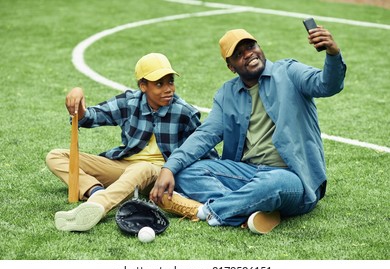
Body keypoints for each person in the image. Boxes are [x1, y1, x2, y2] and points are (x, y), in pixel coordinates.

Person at [150, 26, 347, 234]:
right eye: (238, 54)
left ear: (259, 47)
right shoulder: (227, 93)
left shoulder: (289, 72)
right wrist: (169, 168)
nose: (248, 54)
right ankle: (253, 209)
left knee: (274, 182)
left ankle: (207, 211)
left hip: (293, 178)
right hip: (248, 173)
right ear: (231, 66)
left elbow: (328, 85)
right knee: (186, 173)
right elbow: (204, 135)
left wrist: (333, 53)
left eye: (251, 46)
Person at [46, 53, 212, 232]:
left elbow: (202, 149)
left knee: (142, 168)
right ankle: (96, 192)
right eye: (159, 84)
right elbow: (91, 117)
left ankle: (98, 205)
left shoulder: (185, 112)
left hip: (159, 172)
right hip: (125, 166)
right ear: (143, 86)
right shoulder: (129, 102)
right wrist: (79, 104)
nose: (168, 89)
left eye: (170, 81)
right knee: (56, 156)